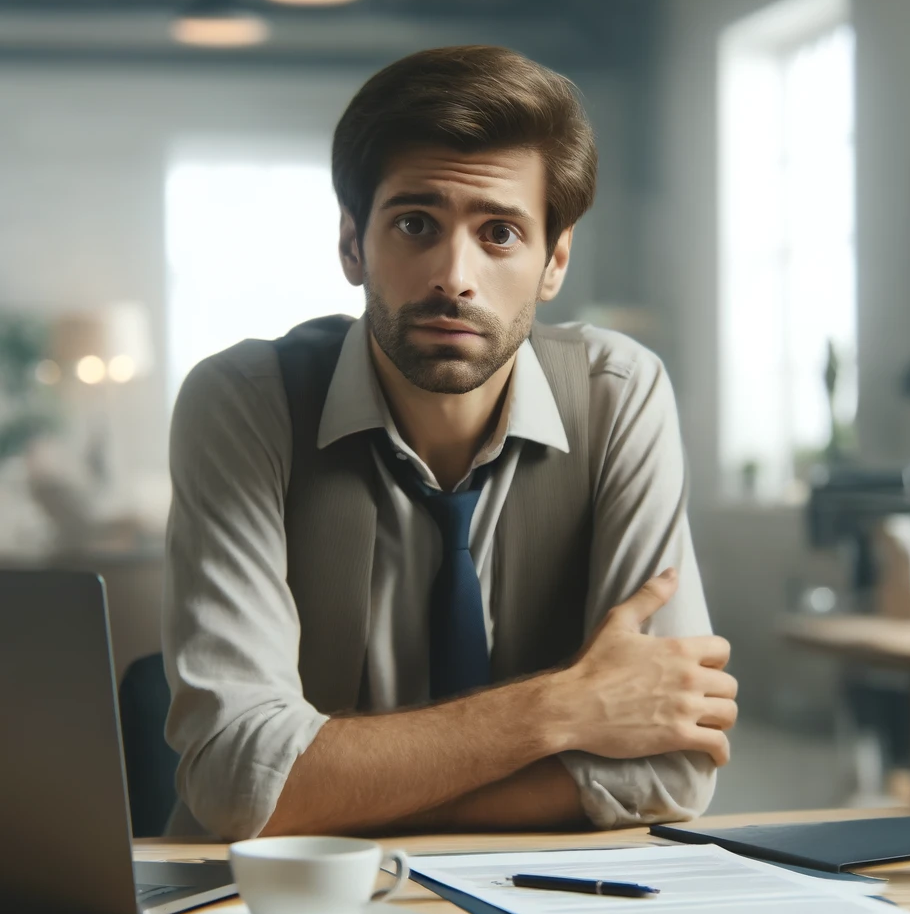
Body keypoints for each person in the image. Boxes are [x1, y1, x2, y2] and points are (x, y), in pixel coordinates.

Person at [163, 45, 737, 841]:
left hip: (545, 912)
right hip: (272, 913)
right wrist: (564, 708)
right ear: (353, 244)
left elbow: (672, 767)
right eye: (414, 224)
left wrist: (328, 790)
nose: (454, 276)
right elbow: (234, 776)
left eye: (499, 232)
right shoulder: (245, 402)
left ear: (554, 261)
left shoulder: (617, 393)